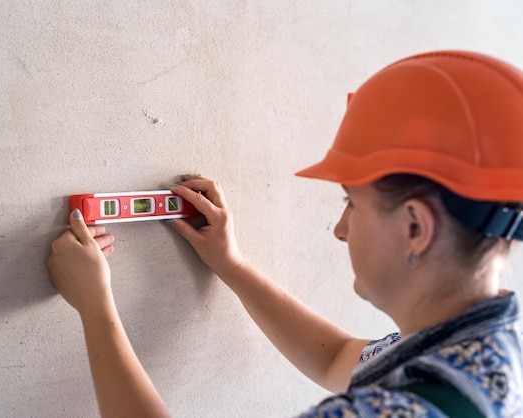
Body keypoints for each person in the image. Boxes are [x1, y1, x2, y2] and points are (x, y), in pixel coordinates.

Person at [48, 51, 523, 417]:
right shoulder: (482, 353)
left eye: (351, 204)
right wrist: (231, 264)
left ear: (415, 227)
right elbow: (339, 358)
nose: (339, 230)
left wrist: (96, 308)